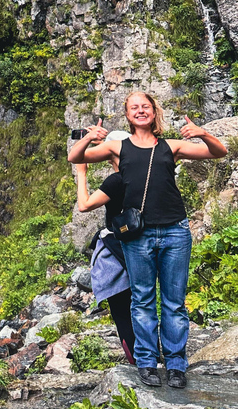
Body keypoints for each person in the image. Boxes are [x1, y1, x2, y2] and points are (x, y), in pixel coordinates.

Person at [67, 92, 227, 389]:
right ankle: (147, 363)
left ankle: (177, 365)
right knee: (142, 300)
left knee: (174, 302)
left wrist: (203, 133)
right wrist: (89, 139)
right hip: (137, 236)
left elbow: (219, 152)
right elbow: (75, 158)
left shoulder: (171, 146)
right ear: (128, 115)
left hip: (175, 231)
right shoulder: (117, 148)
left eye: (146, 106)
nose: (140, 111)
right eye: (134, 108)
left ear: (154, 112)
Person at [74, 130, 135, 365]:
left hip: (119, 250)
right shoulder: (143, 174)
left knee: (122, 311)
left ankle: (137, 360)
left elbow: (84, 205)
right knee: (142, 305)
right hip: (144, 245)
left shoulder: (116, 180)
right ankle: (152, 354)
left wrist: (81, 172)